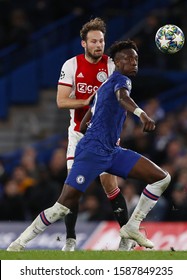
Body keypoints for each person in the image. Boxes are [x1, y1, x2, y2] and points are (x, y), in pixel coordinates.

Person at [7, 39, 171, 252]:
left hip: (111, 150)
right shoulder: (122, 81)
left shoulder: (103, 87)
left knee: (161, 178)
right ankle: (18, 243)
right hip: (93, 152)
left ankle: (132, 226)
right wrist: (142, 114)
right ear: (116, 63)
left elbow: (85, 123)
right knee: (62, 206)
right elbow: (123, 98)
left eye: (136, 59)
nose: (134, 62)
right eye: (128, 58)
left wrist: (99, 130)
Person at [56, 17, 134, 251]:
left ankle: (127, 236)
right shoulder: (71, 65)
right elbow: (61, 101)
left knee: (109, 183)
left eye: (101, 40)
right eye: (93, 41)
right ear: (84, 44)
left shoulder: (112, 66)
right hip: (79, 135)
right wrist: (87, 102)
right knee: (72, 187)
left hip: (105, 134)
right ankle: (70, 240)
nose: (99, 45)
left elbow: (122, 96)